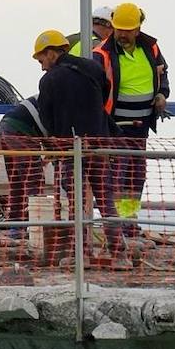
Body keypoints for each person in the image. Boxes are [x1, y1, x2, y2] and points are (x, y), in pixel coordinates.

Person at [32, 29, 127, 265]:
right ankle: (120, 256)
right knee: (106, 199)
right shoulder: (92, 68)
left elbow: (47, 119)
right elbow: (105, 93)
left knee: (76, 202)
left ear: (52, 53)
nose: (42, 66)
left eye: (42, 60)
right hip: (99, 142)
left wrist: (57, 141)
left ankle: (82, 256)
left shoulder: (49, 80)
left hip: (71, 147)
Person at [92, 2, 169, 233]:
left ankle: (129, 220)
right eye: (119, 29)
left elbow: (162, 73)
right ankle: (116, 225)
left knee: (136, 175)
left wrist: (162, 94)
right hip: (115, 126)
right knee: (117, 174)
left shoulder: (151, 48)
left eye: (128, 30)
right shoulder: (102, 54)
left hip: (141, 125)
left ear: (138, 28)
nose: (122, 35)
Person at [0, 96, 48, 239]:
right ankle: (36, 228)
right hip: (20, 131)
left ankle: (16, 227)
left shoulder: (50, 94)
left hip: (6, 128)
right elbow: (56, 130)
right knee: (34, 180)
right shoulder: (60, 101)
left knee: (17, 182)